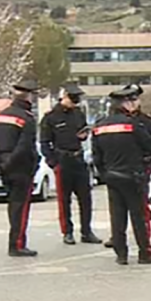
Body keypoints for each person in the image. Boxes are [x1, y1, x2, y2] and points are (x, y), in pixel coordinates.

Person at [92, 86, 151, 265]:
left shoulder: (100, 126)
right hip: (133, 176)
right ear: (126, 104)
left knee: (117, 216)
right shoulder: (133, 125)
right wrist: (147, 168)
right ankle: (144, 253)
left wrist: (104, 174)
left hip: (112, 177)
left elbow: (96, 156)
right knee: (138, 216)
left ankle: (121, 254)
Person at [39, 83, 103, 246]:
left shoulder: (78, 114)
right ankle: (67, 232)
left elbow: (82, 133)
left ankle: (86, 231)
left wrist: (83, 136)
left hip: (78, 159)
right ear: (64, 96)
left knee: (86, 198)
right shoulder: (51, 117)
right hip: (63, 160)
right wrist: (53, 163)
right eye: (73, 98)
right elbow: (45, 143)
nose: (75, 102)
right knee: (64, 200)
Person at [0, 78, 41, 257]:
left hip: (4, 165)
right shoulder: (27, 118)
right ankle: (17, 244)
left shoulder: (1, 116)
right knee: (21, 208)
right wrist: (12, 162)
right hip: (21, 168)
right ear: (29, 97)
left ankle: (15, 242)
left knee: (13, 206)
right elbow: (25, 146)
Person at [130, 86, 151, 241]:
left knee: (142, 208)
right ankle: (117, 237)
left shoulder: (147, 122)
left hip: (141, 170)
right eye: (128, 100)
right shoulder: (114, 121)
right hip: (120, 170)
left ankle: (145, 237)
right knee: (118, 209)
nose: (132, 103)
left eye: (134, 99)